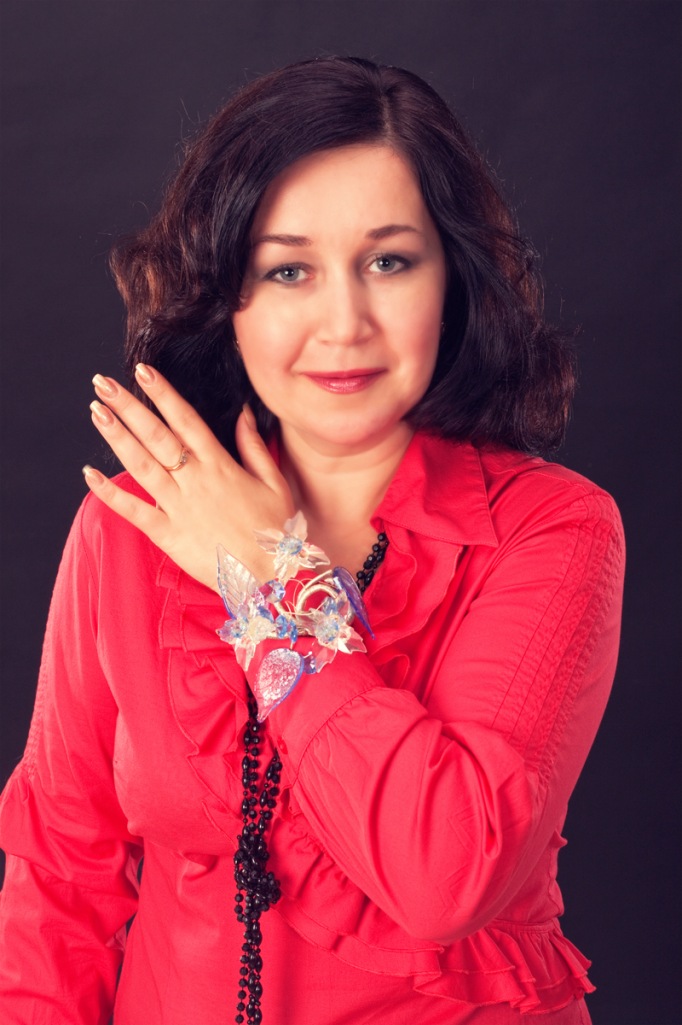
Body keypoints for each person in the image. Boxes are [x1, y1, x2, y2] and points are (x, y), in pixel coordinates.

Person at [0, 56, 624, 1025]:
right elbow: (58, 875)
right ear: (226, 294)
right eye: (287, 269)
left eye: (389, 261)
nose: (344, 323)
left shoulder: (551, 527)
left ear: (452, 281)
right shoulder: (131, 525)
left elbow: (447, 873)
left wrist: (269, 577)